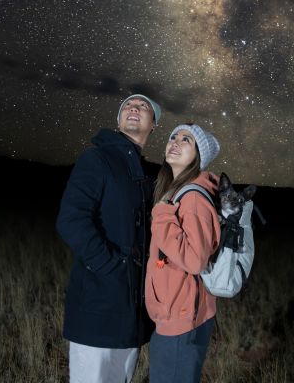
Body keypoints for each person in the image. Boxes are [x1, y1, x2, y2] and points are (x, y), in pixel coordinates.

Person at [56, 94, 162, 383]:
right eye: (128, 105)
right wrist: (109, 265)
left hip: (131, 315)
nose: (134, 108)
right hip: (98, 305)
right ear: (118, 120)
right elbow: (71, 219)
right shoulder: (97, 158)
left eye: (143, 107)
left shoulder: (147, 174)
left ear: (153, 125)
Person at [145, 123, 222, 383]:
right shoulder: (179, 192)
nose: (175, 142)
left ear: (198, 155)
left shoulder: (192, 199)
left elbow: (194, 260)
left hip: (182, 319)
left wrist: (161, 216)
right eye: (173, 137)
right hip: (178, 312)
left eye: (186, 140)